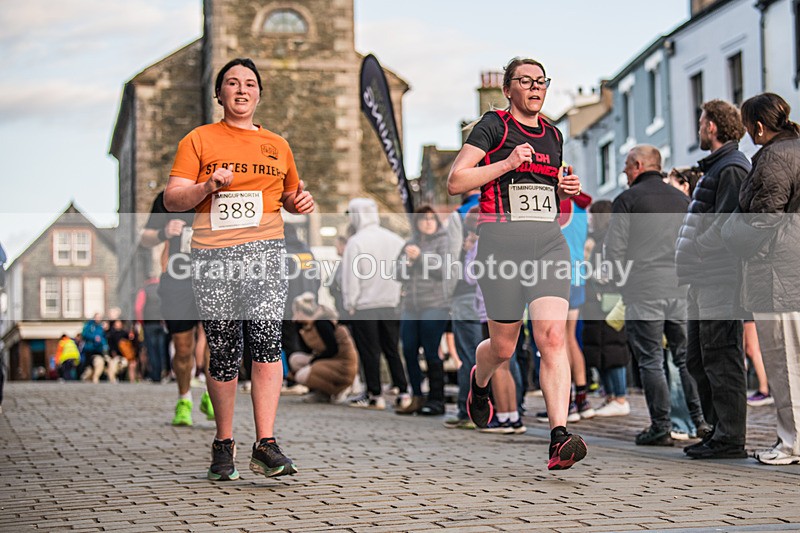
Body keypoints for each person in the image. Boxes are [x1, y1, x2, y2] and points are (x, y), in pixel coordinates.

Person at [164, 57, 315, 480]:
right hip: (214, 257)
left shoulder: (278, 145)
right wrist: (207, 186)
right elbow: (172, 198)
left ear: (259, 94)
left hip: (266, 252)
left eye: (250, 83)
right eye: (232, 83)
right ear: (220, 94)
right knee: (226, 350)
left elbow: (289, 195)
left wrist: (299, 202)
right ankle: (224, 442)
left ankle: (265, 443)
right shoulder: (198, 140)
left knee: (267, 340)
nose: (242, 89)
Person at [447, 57, 586, 470]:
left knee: (552, 339)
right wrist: (507, 164)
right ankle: (479, 380)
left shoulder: (554, 135)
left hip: (547, 245)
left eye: (541, 81)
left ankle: (559, 437)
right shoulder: (493, 126)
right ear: (508, 90)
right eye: (525, 81)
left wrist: (565, 192)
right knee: (503, 347)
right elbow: (456, 180)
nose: (535, 87)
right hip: (500, 247)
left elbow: (555, 213)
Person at [605, 145, 708, 447]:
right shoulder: (682, 199)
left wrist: (616, 282)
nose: (624, 171)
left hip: (643, 288)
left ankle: (661, 426)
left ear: (638, 165)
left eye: (625, 165)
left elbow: (615, 250)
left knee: (650, 360)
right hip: (680, 288)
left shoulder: (627, 200)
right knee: (685, 358)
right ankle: (700, 421)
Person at [722, 92, 800, 465]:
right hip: (790, 265)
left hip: (778, 272)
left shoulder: (774, 157)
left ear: (757, 125)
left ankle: (791, 442)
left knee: (783, 360)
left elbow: (765, 218)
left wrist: (729, 236)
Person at [675, 99, 751, 459]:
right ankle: (716, 430)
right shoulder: (717, 166)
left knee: (721, 358)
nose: (699, 127)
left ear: (714, 127)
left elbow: (728, 221)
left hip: (719, 277)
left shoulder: (732, 168)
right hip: (702, 277)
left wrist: (701, 247)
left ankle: (730, 437)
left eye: (702, 120)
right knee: (698, 359)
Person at [140, 191, 215, 426]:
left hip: (216, 276)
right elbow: (145, 238)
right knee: (183, 348)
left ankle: (212, 395)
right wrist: (163, 232)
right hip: (178, 280)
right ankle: (184, 400)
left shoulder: (222, 194)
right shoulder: (169, 198)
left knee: (217, 341)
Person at [341, 198, 409, 410]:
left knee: (369, 350)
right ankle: (403, 390)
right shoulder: (395, 239)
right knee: (392, 348)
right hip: (391, 302)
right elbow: (404, 270)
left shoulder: (356, 242)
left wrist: (349, 302)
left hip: (365, 304)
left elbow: (351, 277)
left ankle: (374, 394)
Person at [395, 206, 451, 416]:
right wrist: (407, 264)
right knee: (408, 349)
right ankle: (417, 395)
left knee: (431, 351)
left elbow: (445, 269)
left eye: (430, 218)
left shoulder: (443, 241)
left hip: (435, 303)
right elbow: (397, 273)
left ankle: (437, 399)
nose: (427, 222)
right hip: (411, 305)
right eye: (422, 219)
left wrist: (421, 257)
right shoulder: (410, 243)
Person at [581, 201, 631, 417]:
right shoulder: (600, 239)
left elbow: (611, 270)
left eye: (593, 216)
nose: (590, 220)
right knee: (601, 349)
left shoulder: (607, 240)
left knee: (612, 348)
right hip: (597, 302)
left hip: (606, 301)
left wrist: (591, 275)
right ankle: (610, 395)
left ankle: (619, 396)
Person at [444, 197, 482, 430]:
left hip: (466, 298)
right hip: (490, 302)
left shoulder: (463, 228)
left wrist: (467, 252)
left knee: (469, 357)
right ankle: (508, 410)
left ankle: (466, 410)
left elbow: (467, 275)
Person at [287, 293, 358, 401]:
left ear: (302, 311)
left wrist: (314, 361)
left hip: (342, 363)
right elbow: (306, 350)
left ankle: (337, 391)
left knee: (301, 375)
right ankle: (321, 393)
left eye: (296, 312)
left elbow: (332, 350)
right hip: (328, 360)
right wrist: (300, 330)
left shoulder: (322, 323)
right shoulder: (306, 326)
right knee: (295, 359)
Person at [81, 314, 108, 383]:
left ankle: (95, 378)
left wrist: (105, 345)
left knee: (100, 363)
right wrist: (94, 337)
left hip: (98, 350)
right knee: (89, 368)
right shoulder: (89, 325)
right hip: (89, 350)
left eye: (100, 317)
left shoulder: (101, 327)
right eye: (97, 317)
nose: (98, 319)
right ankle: (86, 378)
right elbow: (84, 334)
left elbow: (103, 338)